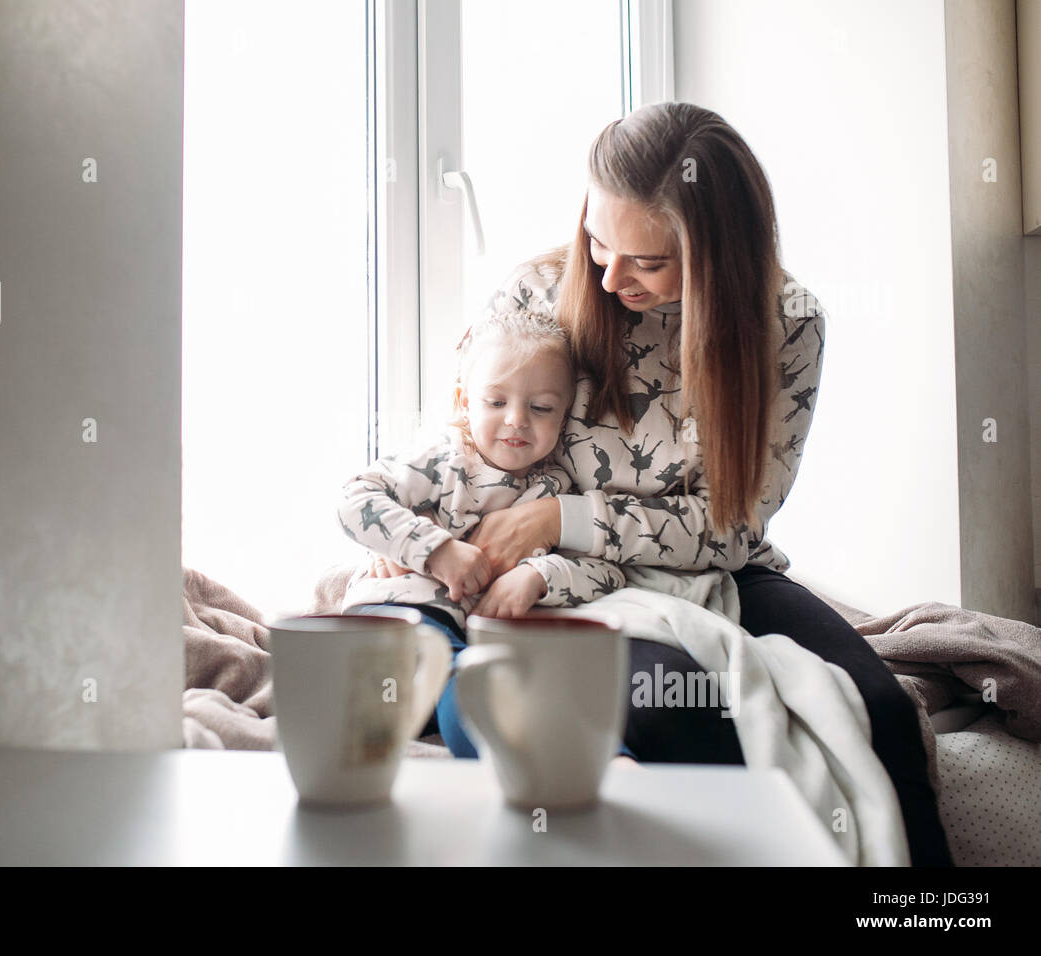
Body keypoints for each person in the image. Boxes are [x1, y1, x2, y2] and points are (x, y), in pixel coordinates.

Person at [363, 101, 954, 866]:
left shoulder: (788, 321)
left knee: (885, 715)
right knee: (681, 706)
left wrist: (558, 517)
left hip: (711, 566)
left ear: (718, 255)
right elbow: (466, 442)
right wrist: (416, 538)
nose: (610, 277)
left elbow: (731, 528)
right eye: (598, 241)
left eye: (647, 261)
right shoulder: (537, 293)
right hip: (574, 579)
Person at [339, 309, 627, 757]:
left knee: (532, 684)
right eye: (496, 402)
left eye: (541, 408)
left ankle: (604, 763)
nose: (516, 420)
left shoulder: (554, 491)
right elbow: (355, 499)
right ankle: (520, 759)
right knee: (467, 681)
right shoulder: (442, 458)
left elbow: (608, 574)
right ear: (463, 401)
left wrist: (538, 575)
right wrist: (433, 550)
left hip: (479, 641)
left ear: (565, 415)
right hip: (399, 620)